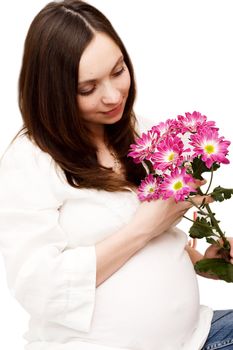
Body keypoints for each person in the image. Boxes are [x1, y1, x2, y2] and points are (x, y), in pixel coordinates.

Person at [0, 1, 233, 349]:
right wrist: (143, 227)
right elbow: (40, 288)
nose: (112, 96)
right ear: (52, 93)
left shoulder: (143, 135)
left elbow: (156, 243)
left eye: (118, 70)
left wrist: (204, 264)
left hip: (198, 337)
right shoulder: (30, 160)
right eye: (87, 88)